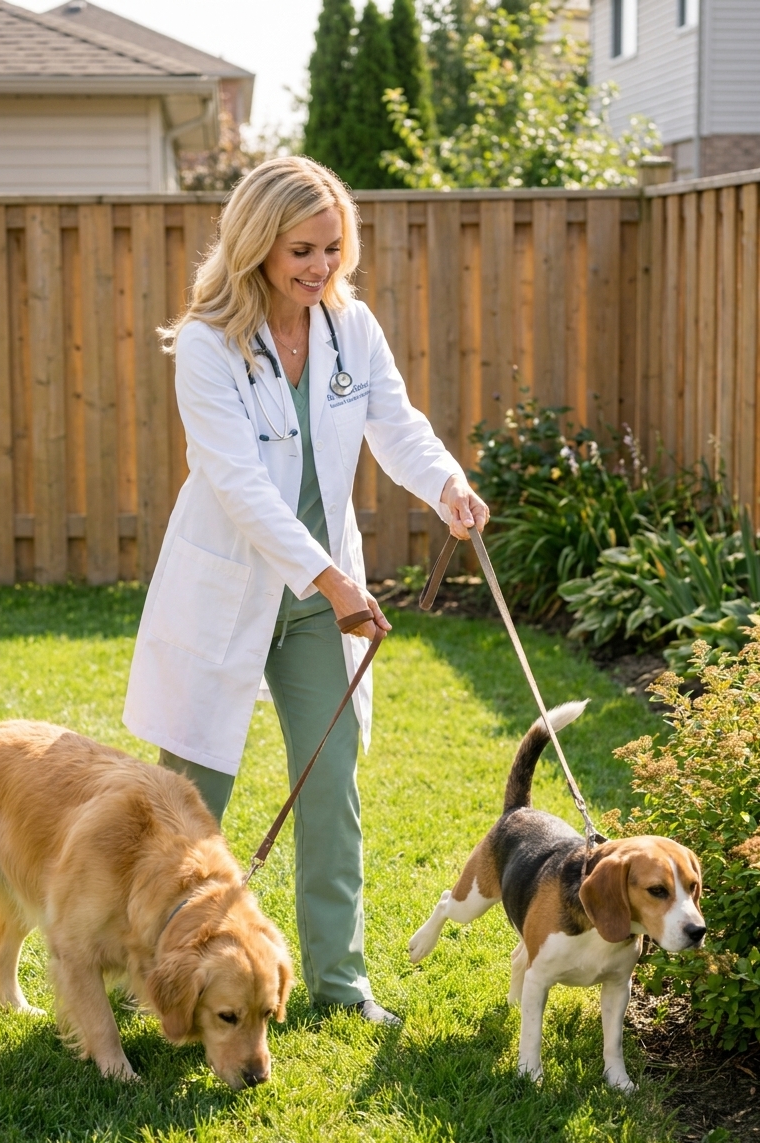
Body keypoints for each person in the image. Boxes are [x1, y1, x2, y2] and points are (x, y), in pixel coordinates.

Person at [123, 156, 488, 1025]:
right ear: (256, 245)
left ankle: (338, 980)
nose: (320, 268)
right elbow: (240, 485)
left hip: (324, 597)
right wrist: (331, 583)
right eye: (302, 251)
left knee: (330, 788)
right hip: (234, 590)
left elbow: (393, 422)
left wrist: (445, 485)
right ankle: (159, 973)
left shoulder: (348, 327)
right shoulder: (209, 344)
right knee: (187, 806)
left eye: (332, 249)